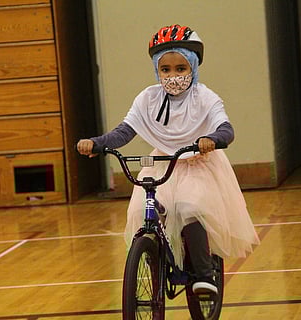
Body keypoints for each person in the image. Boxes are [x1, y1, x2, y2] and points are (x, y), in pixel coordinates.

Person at [77, 24, 260, 294]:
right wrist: (98, 143)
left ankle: (204, 274)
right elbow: (125, 131)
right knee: (143, 210)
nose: (173, 76)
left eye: (180, 69)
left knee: (189, 207)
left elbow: (226, 129)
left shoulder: (205, 98)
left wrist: (213, 139)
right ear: (156, 70)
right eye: (166, 70)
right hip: (162, 163)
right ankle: (154, 260)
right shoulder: (147, 98)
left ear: (193, 68)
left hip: (199, 163)